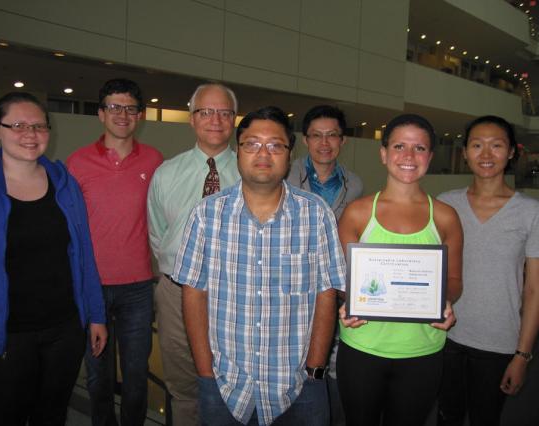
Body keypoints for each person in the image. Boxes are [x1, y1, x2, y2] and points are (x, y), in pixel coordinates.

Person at [174, 106, 346, 426]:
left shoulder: (316, 214)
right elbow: (193, 292)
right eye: (252, 144)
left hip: (299, 386)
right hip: (225, 385)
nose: (263, 153)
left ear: (290, 154)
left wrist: (315, 370)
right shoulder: (206, 214)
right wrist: (205, 372)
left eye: (275, 145)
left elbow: (326, 293)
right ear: (238, 151)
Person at [0, 92, 107, 425]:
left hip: (64, 331)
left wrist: (96, 315)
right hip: (4, 338)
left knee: (52, 416)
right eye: (17, 125)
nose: (30, 134)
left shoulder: (64, 183)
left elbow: (84, 254)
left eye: (38, 126)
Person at [337, 113, 463, 426]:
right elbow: (342, 280)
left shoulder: (445, 216)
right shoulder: (357, 213)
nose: (409, 156)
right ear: (383, 154)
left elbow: (454, 279)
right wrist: (346, 301)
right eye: (398, 146)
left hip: (422, 350)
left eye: (419, 148)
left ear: (430, 157)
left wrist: (445, 301)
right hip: (362, 346)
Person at [67, 79, 163, 426]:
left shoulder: (154, 160)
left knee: (136, 376)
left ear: (140, 115)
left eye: (130, 108)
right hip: (92, 286)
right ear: (100, 114)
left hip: (138, 287)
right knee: (98, 376)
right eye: (114, 107)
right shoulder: (77, 163)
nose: (122, 114)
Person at [147, 83, 240, 425]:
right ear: (192, 119)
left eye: (224, 112)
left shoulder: (252, 173)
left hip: (235, 293)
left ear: (233, 119)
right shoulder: (166, 173)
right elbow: (158, 235)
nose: (215, 120)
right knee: (183, 384)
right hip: (177, 292)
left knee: (234, 381)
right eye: (206, 112)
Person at [437, 116, 539, 426]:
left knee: (486, 419)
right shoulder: (445, 204)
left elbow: (534, 290)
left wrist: (522, 355)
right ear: (465, 152)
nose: (485, 154)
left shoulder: (531, 212)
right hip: (445, 337)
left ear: (511, 152)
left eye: (496, 146)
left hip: (498, 341)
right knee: (446, 418)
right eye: (477, 145)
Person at [287, 105, 362, 426]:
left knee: (331, 366)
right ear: (306, 140)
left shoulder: (354, 184)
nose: (324, 143)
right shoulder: (285, 176)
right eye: (316, 135)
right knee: (294, 362)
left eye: (332, 135)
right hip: (293, 287)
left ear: (343, 141)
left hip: (334, 288)